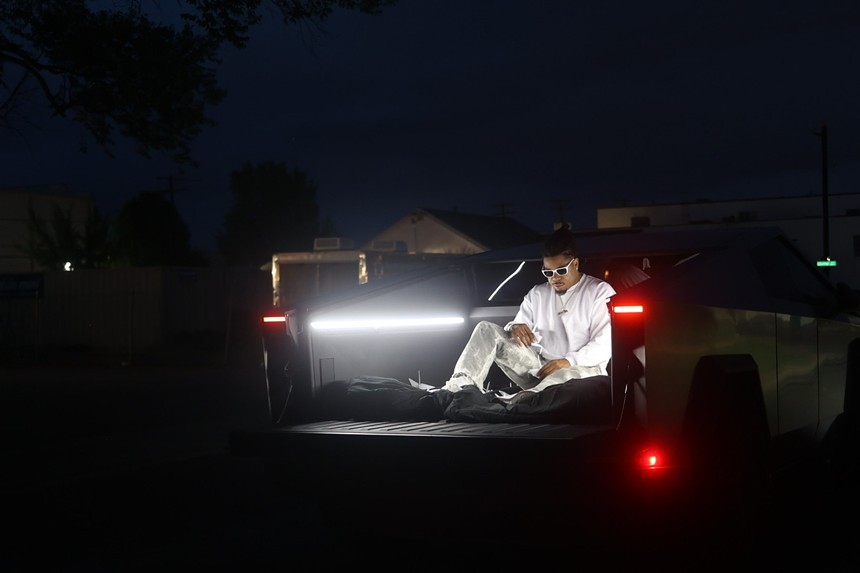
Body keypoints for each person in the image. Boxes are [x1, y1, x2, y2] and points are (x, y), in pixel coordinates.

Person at [442, 226, 616, 393]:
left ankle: (519, 402)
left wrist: (568, 361)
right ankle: (460, 388)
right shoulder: (537, 293)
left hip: (582, 371)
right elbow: (518, 323)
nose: (555, 278)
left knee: (560, 378)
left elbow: (606, 343)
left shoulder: (599, 291)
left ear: (576, 264)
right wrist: (514, 327)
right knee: (485, 329)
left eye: (561, 270)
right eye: (548, 272)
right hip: (539, 369)